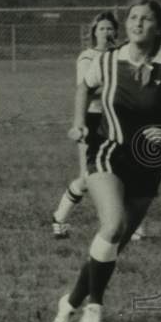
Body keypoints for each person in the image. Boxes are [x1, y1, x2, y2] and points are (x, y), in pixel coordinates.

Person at [49, 0, 161, 322]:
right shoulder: (106, 60)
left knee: (112, 245)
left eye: (146, 19)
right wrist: (79, 123)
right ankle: (94, 307)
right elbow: (84, 86)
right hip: (108, 152)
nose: (137, 23)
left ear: (158, 27)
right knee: (114, 225)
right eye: (133, 17)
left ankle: (70, 303)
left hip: (148, 163)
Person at [51, 12, 117, 239]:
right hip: (92, 119)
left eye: (110, 28)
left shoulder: (120, 55)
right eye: (102, 29)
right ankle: (59, 218)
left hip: (116, 119)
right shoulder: (87, 57)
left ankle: (133, 228)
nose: (106, 33)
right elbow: (86, 89)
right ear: (94, 33)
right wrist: (116, 84)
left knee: (121, 173)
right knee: (88, 178)